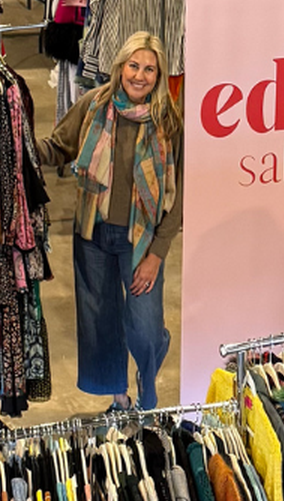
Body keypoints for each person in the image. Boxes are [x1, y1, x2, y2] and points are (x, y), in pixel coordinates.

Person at [45, 30, 183, 411]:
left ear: (159, 74)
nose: (140, 76)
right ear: (120, 67)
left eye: (149, 69)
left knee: (144, 325)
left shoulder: (168, 121)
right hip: (93, 232)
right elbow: (59, 146)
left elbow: (179, 197)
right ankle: (119, 398)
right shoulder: (94, 105)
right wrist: (18, 144)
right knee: (100, 320)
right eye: (133, 66)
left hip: (140, 240)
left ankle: (150, 362)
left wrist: (157, 253)